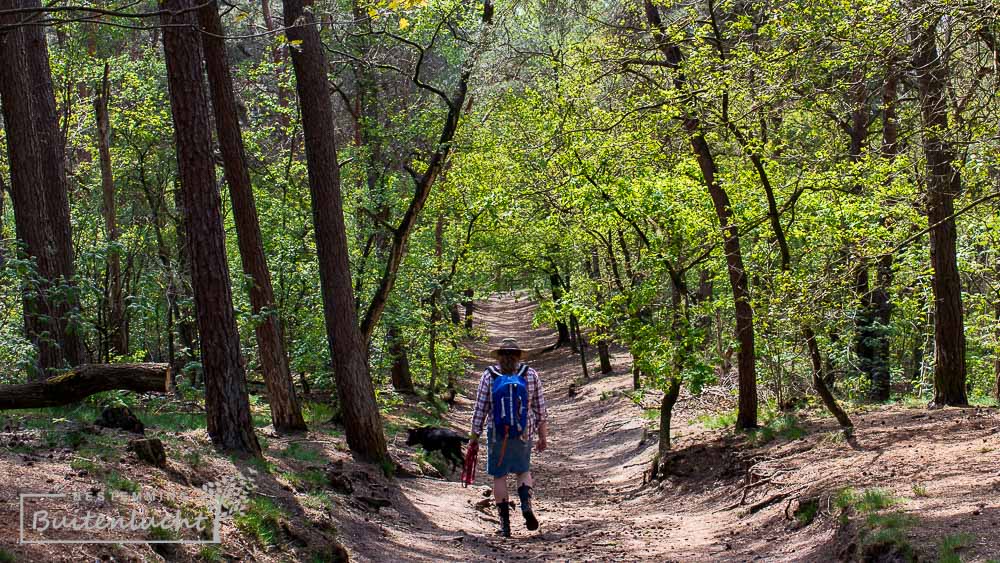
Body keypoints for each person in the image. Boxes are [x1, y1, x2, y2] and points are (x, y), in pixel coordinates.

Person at [470, 338, 548, 537]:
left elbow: (481, 408)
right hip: (524, 431)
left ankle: (505, 526)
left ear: (499, 356)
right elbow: (540, 409)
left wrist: (474, 437)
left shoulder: (489, 375)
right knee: (523, 471)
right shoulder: (530, 374)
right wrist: (542, 436)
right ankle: (525, 505)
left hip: (497, 433)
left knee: (500, 476)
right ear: (518, 355)